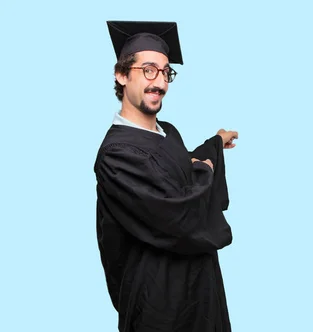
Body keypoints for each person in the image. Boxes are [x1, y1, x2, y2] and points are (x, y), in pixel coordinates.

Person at [93, 20, 238, 332]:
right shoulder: (116, 155)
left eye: (164, 72)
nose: (158, 82)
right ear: (121, 74)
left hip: (201, 288)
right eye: (147, 70)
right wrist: (206, 168)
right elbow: (176, 211)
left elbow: (184, 168)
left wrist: (215, 143)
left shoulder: (167, 132)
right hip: (158, 301)